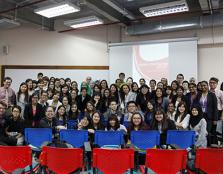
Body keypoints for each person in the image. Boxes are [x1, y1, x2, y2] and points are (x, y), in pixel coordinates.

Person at [197, 81, 218, 145]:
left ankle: (208, 146)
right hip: (200, 116)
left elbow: (215, 107)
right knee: (200, 131)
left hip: (209, 116)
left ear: (207, 86)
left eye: (204, 85)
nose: (203, 87)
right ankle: (201, 146)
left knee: (207, 132)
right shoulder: (199, 94)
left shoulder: (212, 94)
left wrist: (215, 119)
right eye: (202, 86)